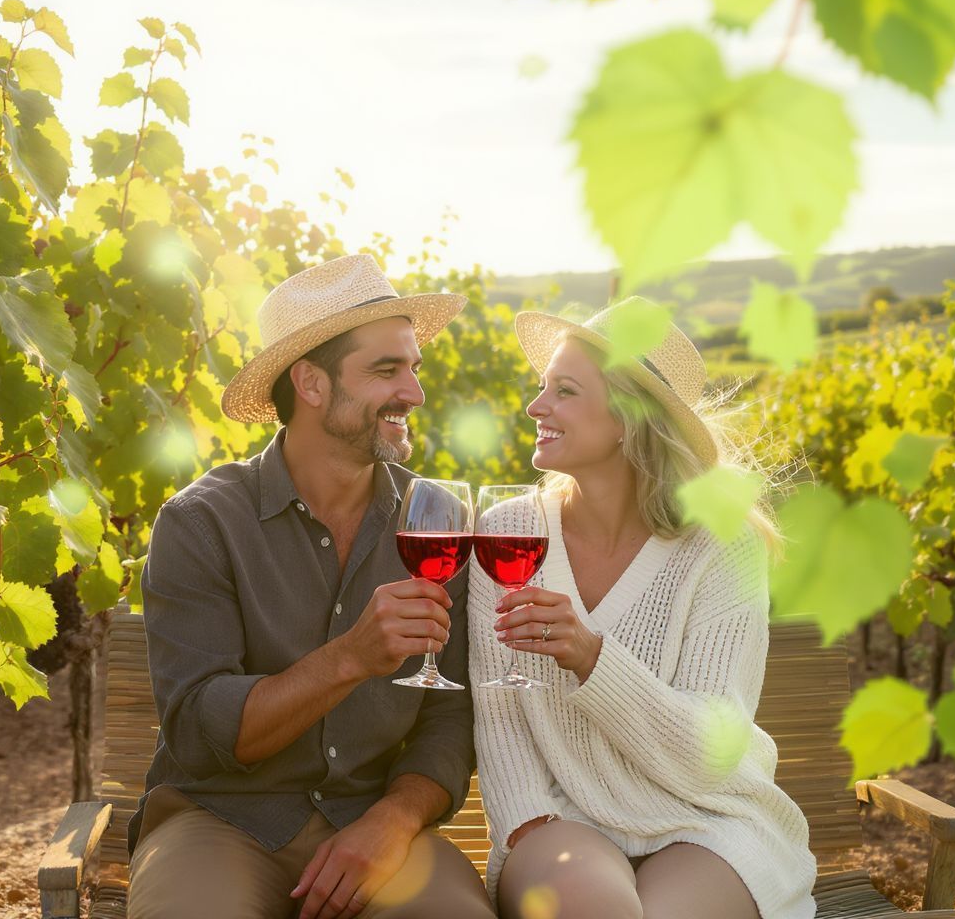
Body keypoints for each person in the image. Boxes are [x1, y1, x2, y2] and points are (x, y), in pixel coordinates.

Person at [128, 254, 494, 919]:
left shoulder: (438, 519)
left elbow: (449, 714)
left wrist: (394, 820)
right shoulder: (202, 524)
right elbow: (202, 733)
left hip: (376, 820)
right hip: (223, 820)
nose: (413, 392)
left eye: (414, 367)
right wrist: (352, 657)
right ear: (312, 384)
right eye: (388, 370)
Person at [468, 299, 817, 919]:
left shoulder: (722, 547)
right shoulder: (506, 532)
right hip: (561, 823)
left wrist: (592, 657)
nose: (535, 408)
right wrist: (526, 827)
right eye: (541, 387)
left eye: (564, 391)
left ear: (628, 417)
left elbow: (709, 755)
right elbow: (500, 714)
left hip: (708, 821)